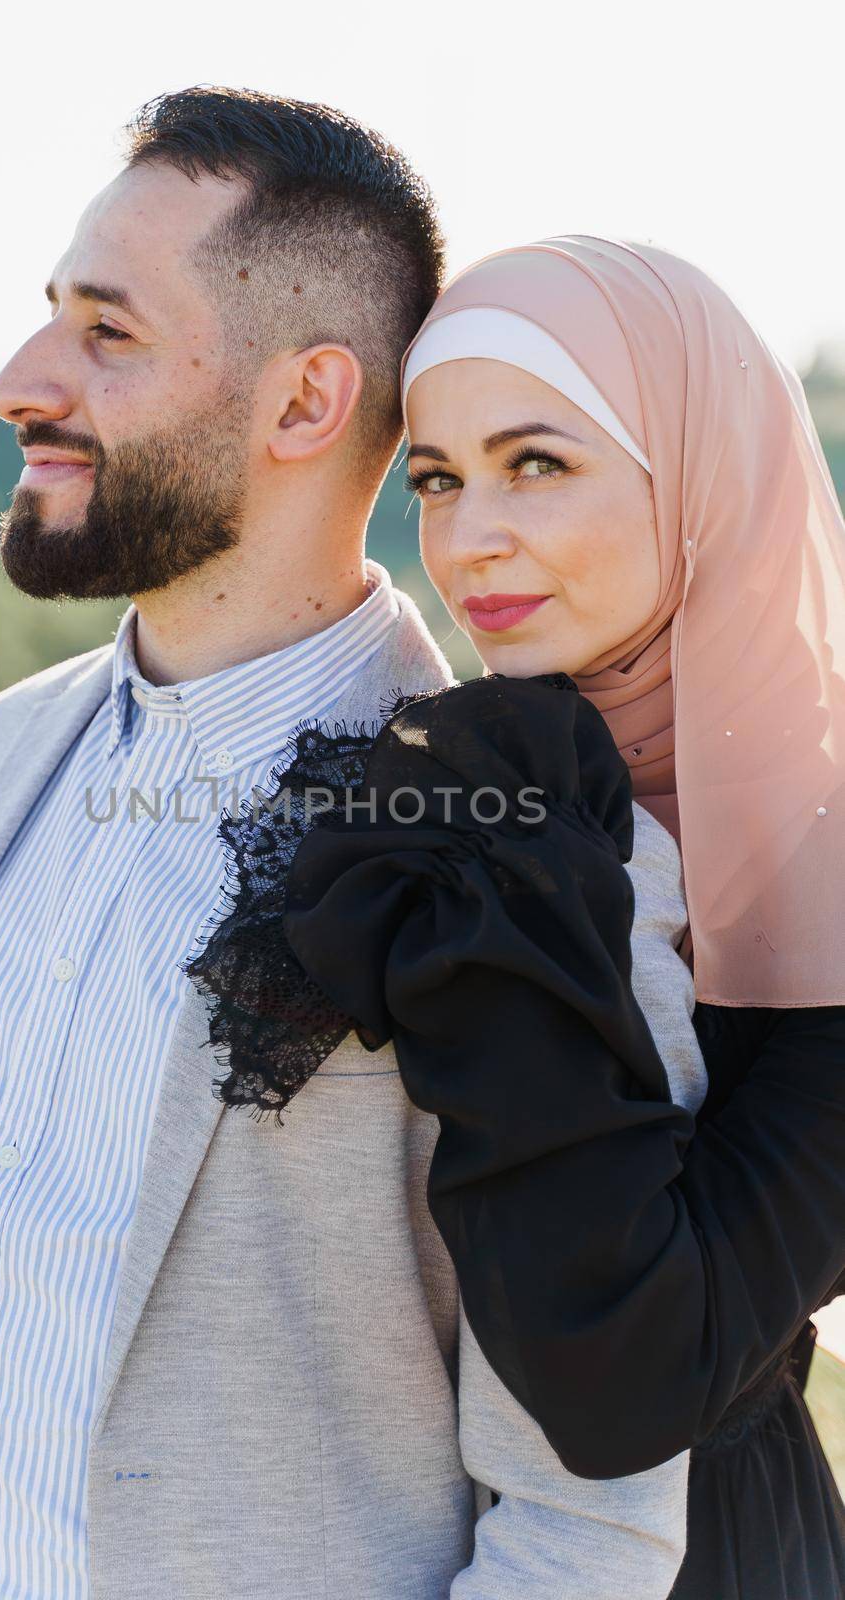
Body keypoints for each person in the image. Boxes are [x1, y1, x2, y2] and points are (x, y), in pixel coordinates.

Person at [0, 101, 697, 1600]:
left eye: (109, 336)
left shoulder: (525, 863)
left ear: (303, 404)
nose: (21, 384)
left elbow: (588, 1509)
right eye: (47, 322)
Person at [273, 236, 845, 1599]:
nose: (472, 540)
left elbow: (624, 1368)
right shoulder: (435, 780)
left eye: (539, 463)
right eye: (437, 480)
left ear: (697, 477)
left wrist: (517, 876)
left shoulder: (828, 870)